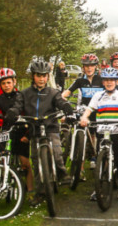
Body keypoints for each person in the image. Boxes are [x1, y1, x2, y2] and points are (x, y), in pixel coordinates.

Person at [7, 59, 74, 206]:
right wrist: (13, 111)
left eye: (44, 75)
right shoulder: (25, 93)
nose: (42, 78)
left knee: (57, 153)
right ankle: (40, 192)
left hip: (50, 127)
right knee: (36, 162)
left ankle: (62, 173)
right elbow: (18, 106)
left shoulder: (53, 92)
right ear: (33, 76)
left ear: (48, 76)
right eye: (38, 75)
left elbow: (60, 102)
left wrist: (66, 107)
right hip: (34, 129)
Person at [80, 67, 118, 203]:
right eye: (106, 80)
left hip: (115, 131)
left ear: (117, 82)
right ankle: (97, 189)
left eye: (112, 80)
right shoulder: (98, 96)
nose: (109, 82)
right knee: (100, 160)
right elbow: (89, 109)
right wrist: (85, 118)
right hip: (101, 132)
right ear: (103, 82)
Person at [0, 68, 33, 193]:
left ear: (14, 82)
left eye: (9, 83)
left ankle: (31, 189)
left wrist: (28, 134)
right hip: (6, 130)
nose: (6, 86)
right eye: (3, 83)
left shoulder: (20, 96)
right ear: (0, 84)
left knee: (24, 161)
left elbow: (29, 115)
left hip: (21, 129)